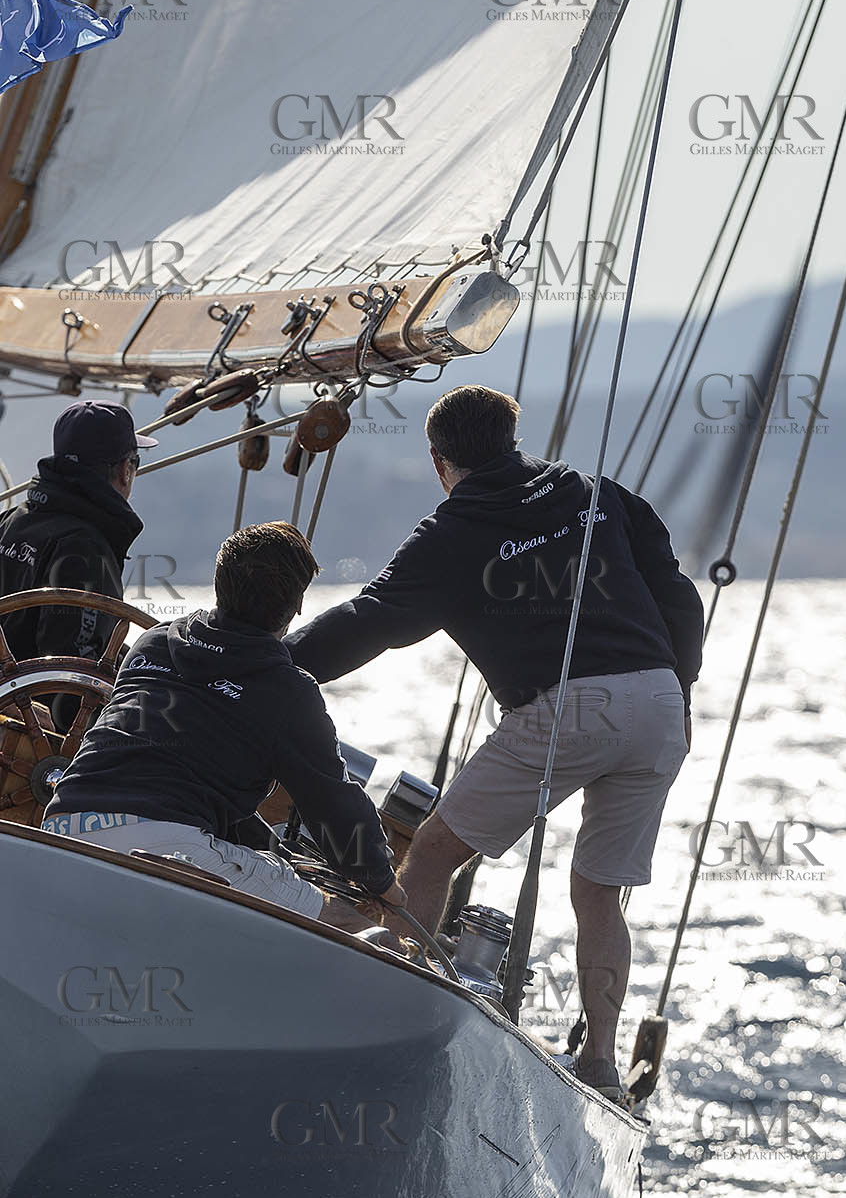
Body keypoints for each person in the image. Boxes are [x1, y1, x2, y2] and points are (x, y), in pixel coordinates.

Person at [284, 384, 704, 1095]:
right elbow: (675, 593)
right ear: (511, 438)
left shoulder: (454, 531)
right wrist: (678, 689)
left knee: (437, 849)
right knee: (598, 895)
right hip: (659, 702)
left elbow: (373, 618)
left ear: (438, 460)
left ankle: (397, 1008)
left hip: (569, 706)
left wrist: (273, 667)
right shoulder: (592, 491)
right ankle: (599, 1062)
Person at [43, 521, 405, 932]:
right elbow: (334, 809)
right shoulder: (289, 691)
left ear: (219, 584)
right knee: (366, 935)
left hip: (63, 823)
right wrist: (384, 883)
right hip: (169, 848)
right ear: (297, 605)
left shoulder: (154, 642)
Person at [0, 401, 155, 682]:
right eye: (136, 462)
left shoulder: (10, 519)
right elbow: (71, 668)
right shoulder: (85, 548)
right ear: (125, 469)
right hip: (34, 720)